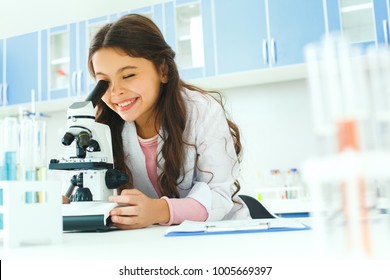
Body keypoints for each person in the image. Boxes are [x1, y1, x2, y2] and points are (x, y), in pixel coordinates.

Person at [86, 13, 250, 229]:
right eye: (104, 82)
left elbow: (218, 195)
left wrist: (158, 210)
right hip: (153, 242)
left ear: (163, 70)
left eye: (128, 75)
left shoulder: (202, 111)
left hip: (218, 235)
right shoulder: (102, 125)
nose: (116, 92)